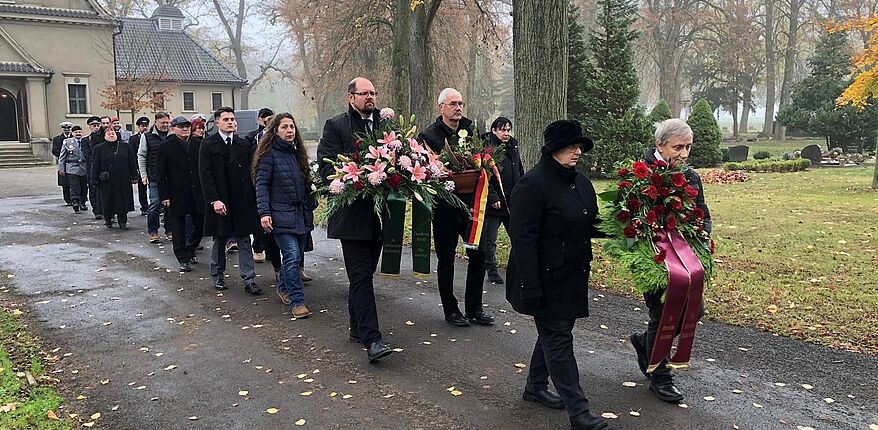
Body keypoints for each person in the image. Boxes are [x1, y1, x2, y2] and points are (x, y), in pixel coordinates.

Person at [506, 120, 607, 430]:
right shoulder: (532, 184)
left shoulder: (581, 183)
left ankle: (535, 386)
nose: (578, 151)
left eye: (580, 146)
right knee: (558, 340)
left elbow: (590, 223)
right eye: (571, 146)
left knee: (555, 335)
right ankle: (579, 413)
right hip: (542, 279)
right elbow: (523, 240)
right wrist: (530, 287)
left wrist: (624, 229)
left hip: (572, 276)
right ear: (552, 150)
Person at [629, 118, 711, 403]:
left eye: (688, 147)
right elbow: (627, 222)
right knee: (662, 313)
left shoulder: (690, 176)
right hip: (653, 258)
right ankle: (659, 375)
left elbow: (703, 214)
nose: (684, 153)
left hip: (686, 259)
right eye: (678, 147)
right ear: (659, 145)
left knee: (694, 310)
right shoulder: (639, 175)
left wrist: (701, 241)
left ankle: (645, 343)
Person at [316, 77, 392, 362]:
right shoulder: (336, 126)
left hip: (380, 216)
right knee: (360, 276)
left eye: (373, 93)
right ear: (351, 97)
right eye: (364, 93)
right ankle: (373, 340)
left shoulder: (385, 126)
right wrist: (354, 178)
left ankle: (356, 327)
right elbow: (326, 166)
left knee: (364, 276)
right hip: (351, 217)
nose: (370, 97)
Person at [418, 87, 495, 328]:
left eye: (461, 103)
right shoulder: (428, 136)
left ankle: (475, 308)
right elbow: (423, 172)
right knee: (447, 259)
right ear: (441, 107)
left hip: (471, 205)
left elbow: (485, 167)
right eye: (453, 104)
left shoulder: (471, 131)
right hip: (444, 207)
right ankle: (451, 309)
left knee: (479, 255)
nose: (458, 107)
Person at [253, 113, 316, 318]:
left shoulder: (298, 154)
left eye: (292, 127)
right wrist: (264, 213)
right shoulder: (268, 155)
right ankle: (297, 302)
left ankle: (283, 287)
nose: (290, 131)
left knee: (295, 258)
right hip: (280, 215)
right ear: (275, 131)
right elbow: (261, 185)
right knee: (291, 256)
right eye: (284, 127)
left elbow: (305, 183)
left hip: (299, 215)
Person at [199, 106, 262, 295]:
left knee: (243, 238)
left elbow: (251, 172)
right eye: (226, 119)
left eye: (232, 119)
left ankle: (249, 278)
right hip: (220, 199)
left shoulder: (243, 145)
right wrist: (214, 200)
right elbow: (205, 175)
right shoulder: (209, 145)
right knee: (220, 238)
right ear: (217, 122)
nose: (231, 122)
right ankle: (217, 275)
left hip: (241, 200)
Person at [157, 116, 205, 273]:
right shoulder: (166, 146)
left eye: (187, 126)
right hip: (176, 192)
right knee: (178, 227)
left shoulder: (198, 144)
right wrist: (164, 195)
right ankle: (183, 258)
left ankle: (190, 248)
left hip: (197, 191)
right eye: (181, 127)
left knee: (201, 223)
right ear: (173, 128)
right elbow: (160, 173)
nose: (185, 129)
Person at [481, 117, 523, 285]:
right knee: (490, 240)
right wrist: (493, 197)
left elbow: (519, 170)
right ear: (494, 131)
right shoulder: (488, 148)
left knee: (518, 236)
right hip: (495, 203)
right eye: (502, 130)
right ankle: (491, 270)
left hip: (512, 202)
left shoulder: (514, 146)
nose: (506, 133)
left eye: (508, 130)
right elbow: (484, 175)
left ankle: (519, 268)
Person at [90, 128, 138, 229]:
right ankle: (108, 219)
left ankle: (123, 221)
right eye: (109, 133)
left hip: (123, 179)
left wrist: (134, 175)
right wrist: (94, 179)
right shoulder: (99, 148)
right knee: (107, 200)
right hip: (107, 180)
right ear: (105, 135)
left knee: (123, 200)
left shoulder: (125, 146)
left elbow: (132, 162)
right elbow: (95, 165)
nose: (111, 135)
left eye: (113, 133)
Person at [138, 113, 172, 243]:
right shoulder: (146, 136)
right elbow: (142, 155)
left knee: (170, 205)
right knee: (155, 204)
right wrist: (143, 174)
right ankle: (153, 230)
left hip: (171, 177)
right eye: (163, 122)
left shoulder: (172, 135)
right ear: (156, 122)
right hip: (154, 176)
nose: (165, 125)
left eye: (167, 122)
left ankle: (170, 229)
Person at [247, 107, 274, 264]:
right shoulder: (253, 137)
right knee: (260, 215)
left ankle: (271, 250)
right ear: (259, 119)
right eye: (264, 118)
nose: (266, 120)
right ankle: (258, 247)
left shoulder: (276, 137)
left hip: (273, 183)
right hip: (257, 180)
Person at [58, 126, 89, 213]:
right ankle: (75, 201)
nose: (78, 134)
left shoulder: (85, 141)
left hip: (83, 167)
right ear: (72, 133)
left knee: (84, 186)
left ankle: (83, 202)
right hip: (72, 167)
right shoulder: (67, 142)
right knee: (74, 186)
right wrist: (61, 168)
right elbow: (62, 156)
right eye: (76, 132)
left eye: (80, 132)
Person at [129, 116, 151, 216]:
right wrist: (135, 168)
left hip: (151, 166)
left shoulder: (152, 137)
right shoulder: (133, 139)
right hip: (139, 165)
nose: (145, 128)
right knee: (142, 188)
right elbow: (132, 154)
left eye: (146, 125)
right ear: (139, 127)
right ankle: (144, 207)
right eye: (142, 126)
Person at [83, 116, 102, 218]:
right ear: (90, 127)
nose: (96, 127)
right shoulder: (85, 140)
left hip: (103, 168)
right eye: (94, 126)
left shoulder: (104, 138)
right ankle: (97, 211)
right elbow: (87, 155)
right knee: (93, 190)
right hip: (92, 168)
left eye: (98, 125)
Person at [52, 122, 75, 206]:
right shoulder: (57, 139)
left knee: (74, 182)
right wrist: (63, 154)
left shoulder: (74, 138)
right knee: (65, 183)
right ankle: (68, 199)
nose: (66, 130)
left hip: (73, 161)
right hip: (64, 162)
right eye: (65, 129)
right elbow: (54, 150)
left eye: (68, 128)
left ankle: (75, 198)